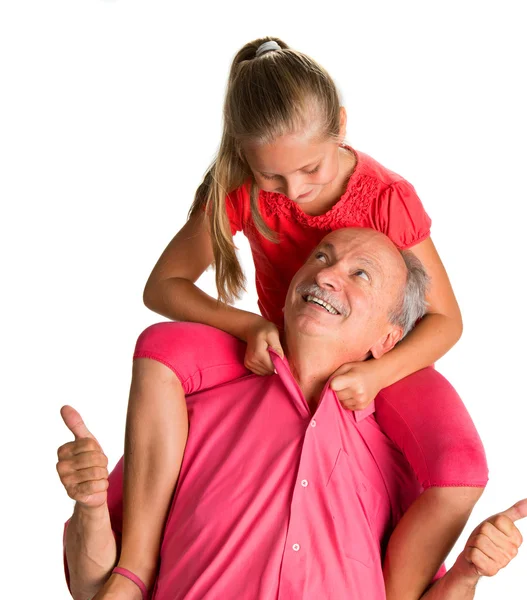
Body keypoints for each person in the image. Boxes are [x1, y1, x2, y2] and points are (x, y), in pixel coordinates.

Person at [109, 35, 471, 598]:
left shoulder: (385, 198)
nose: (294, 191)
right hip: (282, 347)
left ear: (342, 126)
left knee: (460, 466)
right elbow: (164, 286)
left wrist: (377, 374)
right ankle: (134, 569)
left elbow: (447, 320)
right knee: (162, 347)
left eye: (309, 169)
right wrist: (248, 326)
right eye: (273, 177)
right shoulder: (241, 190)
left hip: (374, 355)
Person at [59, 229, 503, 600]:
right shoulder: (186, 415)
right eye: (321, 257)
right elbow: (92, 586)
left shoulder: (397, 464)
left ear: (388, 339)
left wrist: (467, 572)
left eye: (360, 274)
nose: (326, 274)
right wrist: (91, 507)